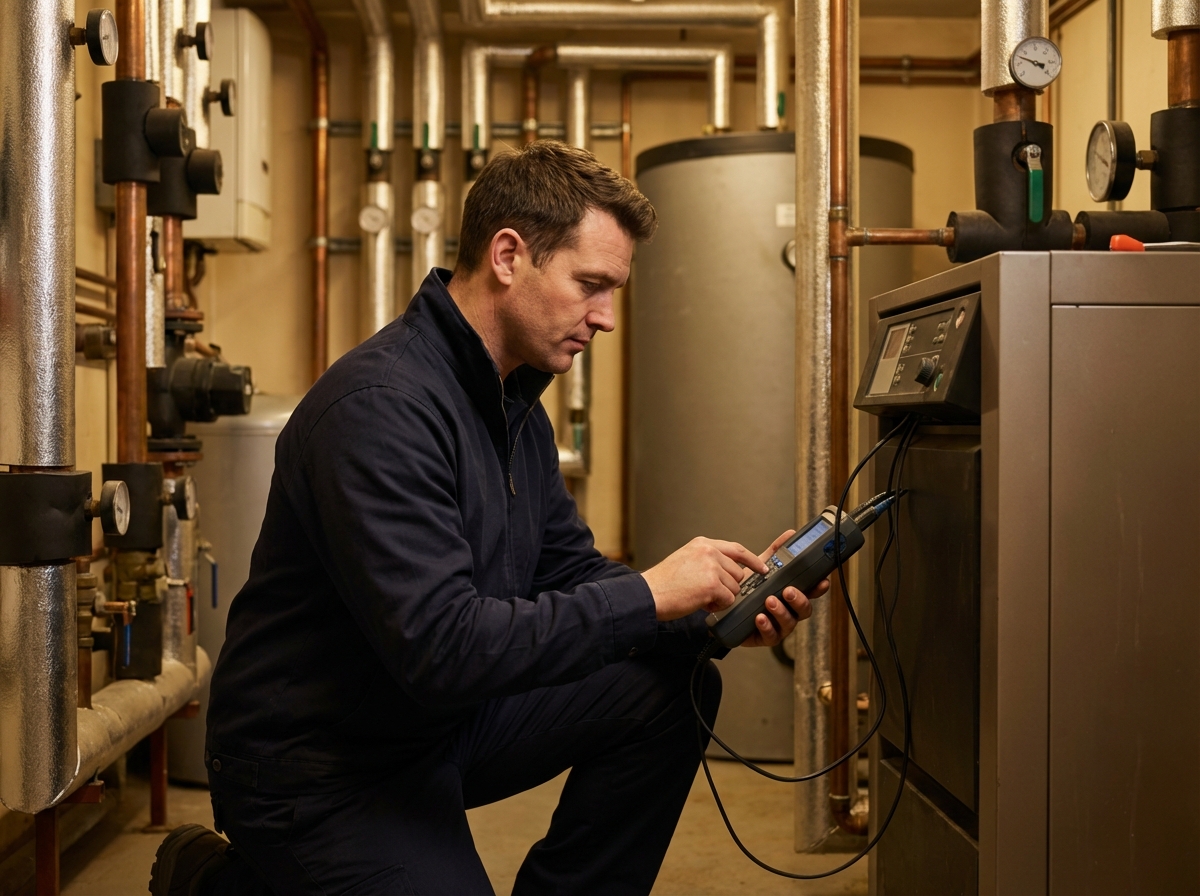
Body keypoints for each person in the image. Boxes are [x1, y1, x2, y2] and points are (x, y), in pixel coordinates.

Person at [150, 141, 827, 896]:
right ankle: (217, 882)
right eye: (591, 285)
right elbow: (444, 649)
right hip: (317, 766)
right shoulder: (382, 410)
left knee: (674, 681)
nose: (605, 318)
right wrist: (647, 594)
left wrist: (711, 610)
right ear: (509, 254)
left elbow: (568, 571)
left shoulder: (513, 406)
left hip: (436, 724)